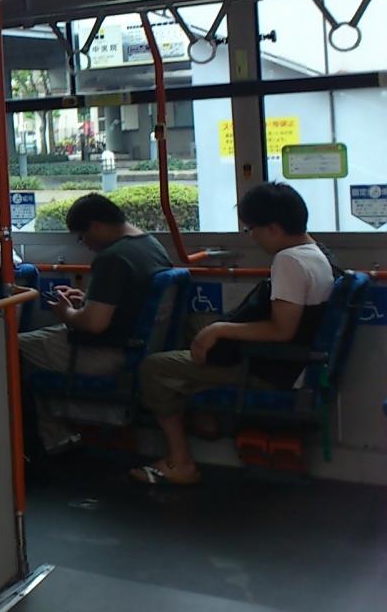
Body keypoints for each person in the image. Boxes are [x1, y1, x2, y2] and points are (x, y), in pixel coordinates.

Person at [132, 182, 334, 486]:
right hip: (291, 357)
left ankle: (180, 462)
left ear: (274, 228)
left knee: (154, 368)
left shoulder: (289, 262)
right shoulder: (315, 252)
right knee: (195, 324)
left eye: (252, 230)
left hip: (270, 367)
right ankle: (203, 417)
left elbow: (282, 330)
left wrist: (220, 329)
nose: (251, 237)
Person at [18, 193, 173, 453]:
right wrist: (86, 301)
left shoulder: (112, 258)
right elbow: (125, 303)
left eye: (82, 236)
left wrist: (65, 312)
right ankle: (53, 436)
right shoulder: (151, 245)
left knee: (8, 348)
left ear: (96, 226)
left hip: (105, 353)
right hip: (140, 347)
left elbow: (94, 325)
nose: (85, 244)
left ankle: (45, 440)